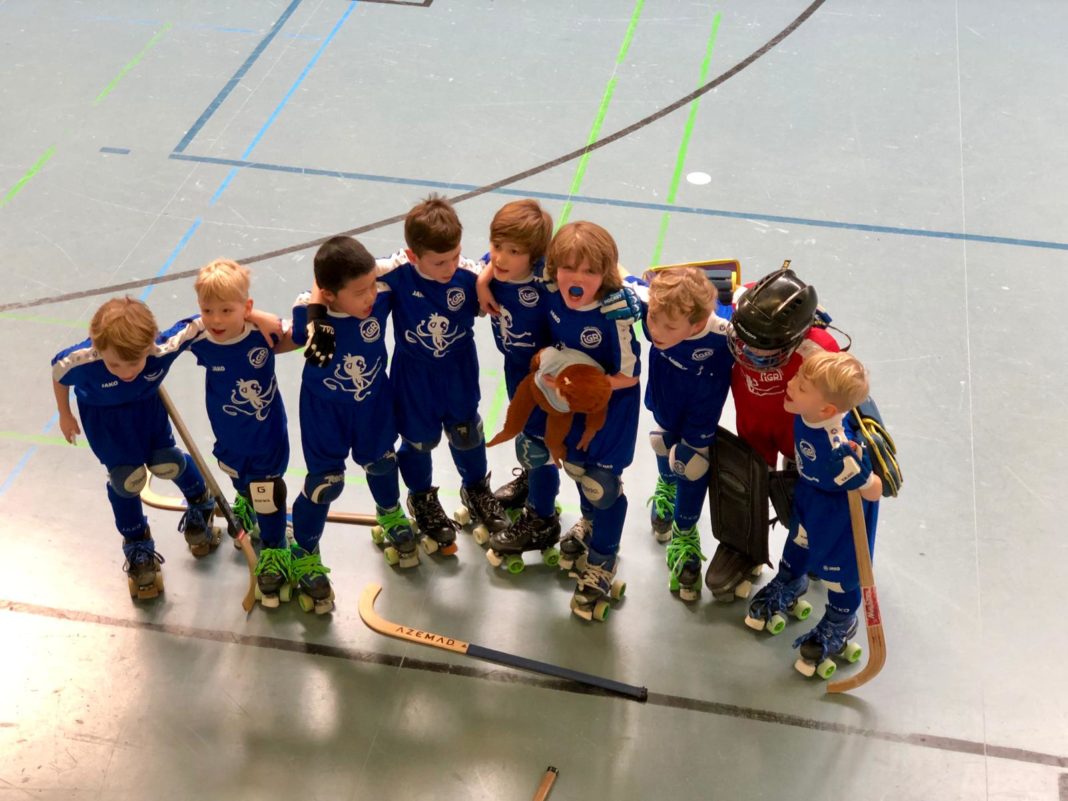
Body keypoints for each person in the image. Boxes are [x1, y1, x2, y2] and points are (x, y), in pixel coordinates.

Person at [51, 297, 215, 600]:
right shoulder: (82, 360)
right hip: (106, 424)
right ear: (99, 349)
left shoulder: (160, 349)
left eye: (135, 363)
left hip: (146, 413)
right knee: (126, 480)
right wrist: (64, 413)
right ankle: (137, 541)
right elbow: (58, 373)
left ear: (150, 345)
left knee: (168, 462)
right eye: (114, 364)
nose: (126, 372)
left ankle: (201, 504)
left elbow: (201, 323)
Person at [374, 195, 510, 553]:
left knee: (467, 431)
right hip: (413, 378)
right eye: (439, 262)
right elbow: (342, 270)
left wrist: (482, 281)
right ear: (413, 254)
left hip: (459, 371)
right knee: (418, 441)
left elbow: (509, 265)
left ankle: (477, 488)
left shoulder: (468, 275)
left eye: (454, 256)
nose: (449, 267)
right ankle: (421, 498)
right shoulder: (396, 273)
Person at [289, 236, 417, 613]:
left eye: (371, 287)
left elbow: (408, 257)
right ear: (329, 295)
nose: (370, 298)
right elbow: (307, 303)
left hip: (373, 402)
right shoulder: (308, 314)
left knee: (381, 461)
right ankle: (305, 550)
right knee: (325, 483)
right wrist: (316, 315)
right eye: (359, 293)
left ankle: (391, 513)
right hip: (324, 411)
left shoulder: (378, 289)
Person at [705, 264, 841, 600]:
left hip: (798, 437)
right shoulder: (743, 307)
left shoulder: (820, 352)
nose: (750, 353)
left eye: (764, 348)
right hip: (752, 427)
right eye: (746, 342)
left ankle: (808, 542)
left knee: (804, 496)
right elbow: (697, 291)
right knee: (740, 481)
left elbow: (844, 400)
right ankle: (741, 543)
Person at [742, 350, 881, 678]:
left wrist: (862, 477)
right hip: (809, 496)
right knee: (798, 543)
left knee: (839, 573)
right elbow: (809, 351)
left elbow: (875, 490)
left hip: (840, 515)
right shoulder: (809, 410)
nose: (790, 384)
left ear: (827, 409)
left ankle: (841, 620)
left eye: (801, 386)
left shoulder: (840, 444)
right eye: (797, 378)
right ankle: (790, 582)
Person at [540, 221, 641, 620]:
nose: (576, 278)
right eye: (568, 268)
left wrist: (585, 386)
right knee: (577, 467)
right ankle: (589, 523)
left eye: (589, 271)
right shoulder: (550, 293)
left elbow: (630, 374)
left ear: (605, 275)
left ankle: (603, 559)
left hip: (612, 409)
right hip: (573, 407)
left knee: (603, 485)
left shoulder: (615, 313)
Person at [188, 259, 293, 608]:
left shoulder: (263, 335)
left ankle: (276, 548)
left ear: (245, 307)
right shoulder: (198, 338)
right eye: (207, 310)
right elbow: (154, 348)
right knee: (240, 481)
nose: (216, 319)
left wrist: (262, 318)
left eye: (226, 310)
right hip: (229, 438)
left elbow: (304, 333)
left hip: (266, 439)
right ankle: (245, 500)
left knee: (267, 491)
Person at [627, 267, 733, 601]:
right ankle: (666, 486)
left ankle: (685, 534)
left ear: (698, 323)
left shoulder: (725, 332)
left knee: (692, 462)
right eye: (653, 320)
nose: (655, 330)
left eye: (669, 327)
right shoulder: (652, 305)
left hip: (701, 406)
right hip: (665, 393)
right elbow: (617, 276)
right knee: (662, 441)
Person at [469, 199, 563, 566]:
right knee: (526, 434)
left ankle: (542, 518)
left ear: (536, 255)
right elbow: (488, 263)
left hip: (544, 378)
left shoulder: (548, 279)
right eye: (496, 247)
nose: (501, 258)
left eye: (513, 252)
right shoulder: (494, 269)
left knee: (539, 441)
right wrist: (482, 278)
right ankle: (531, 481)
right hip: (515, 366)